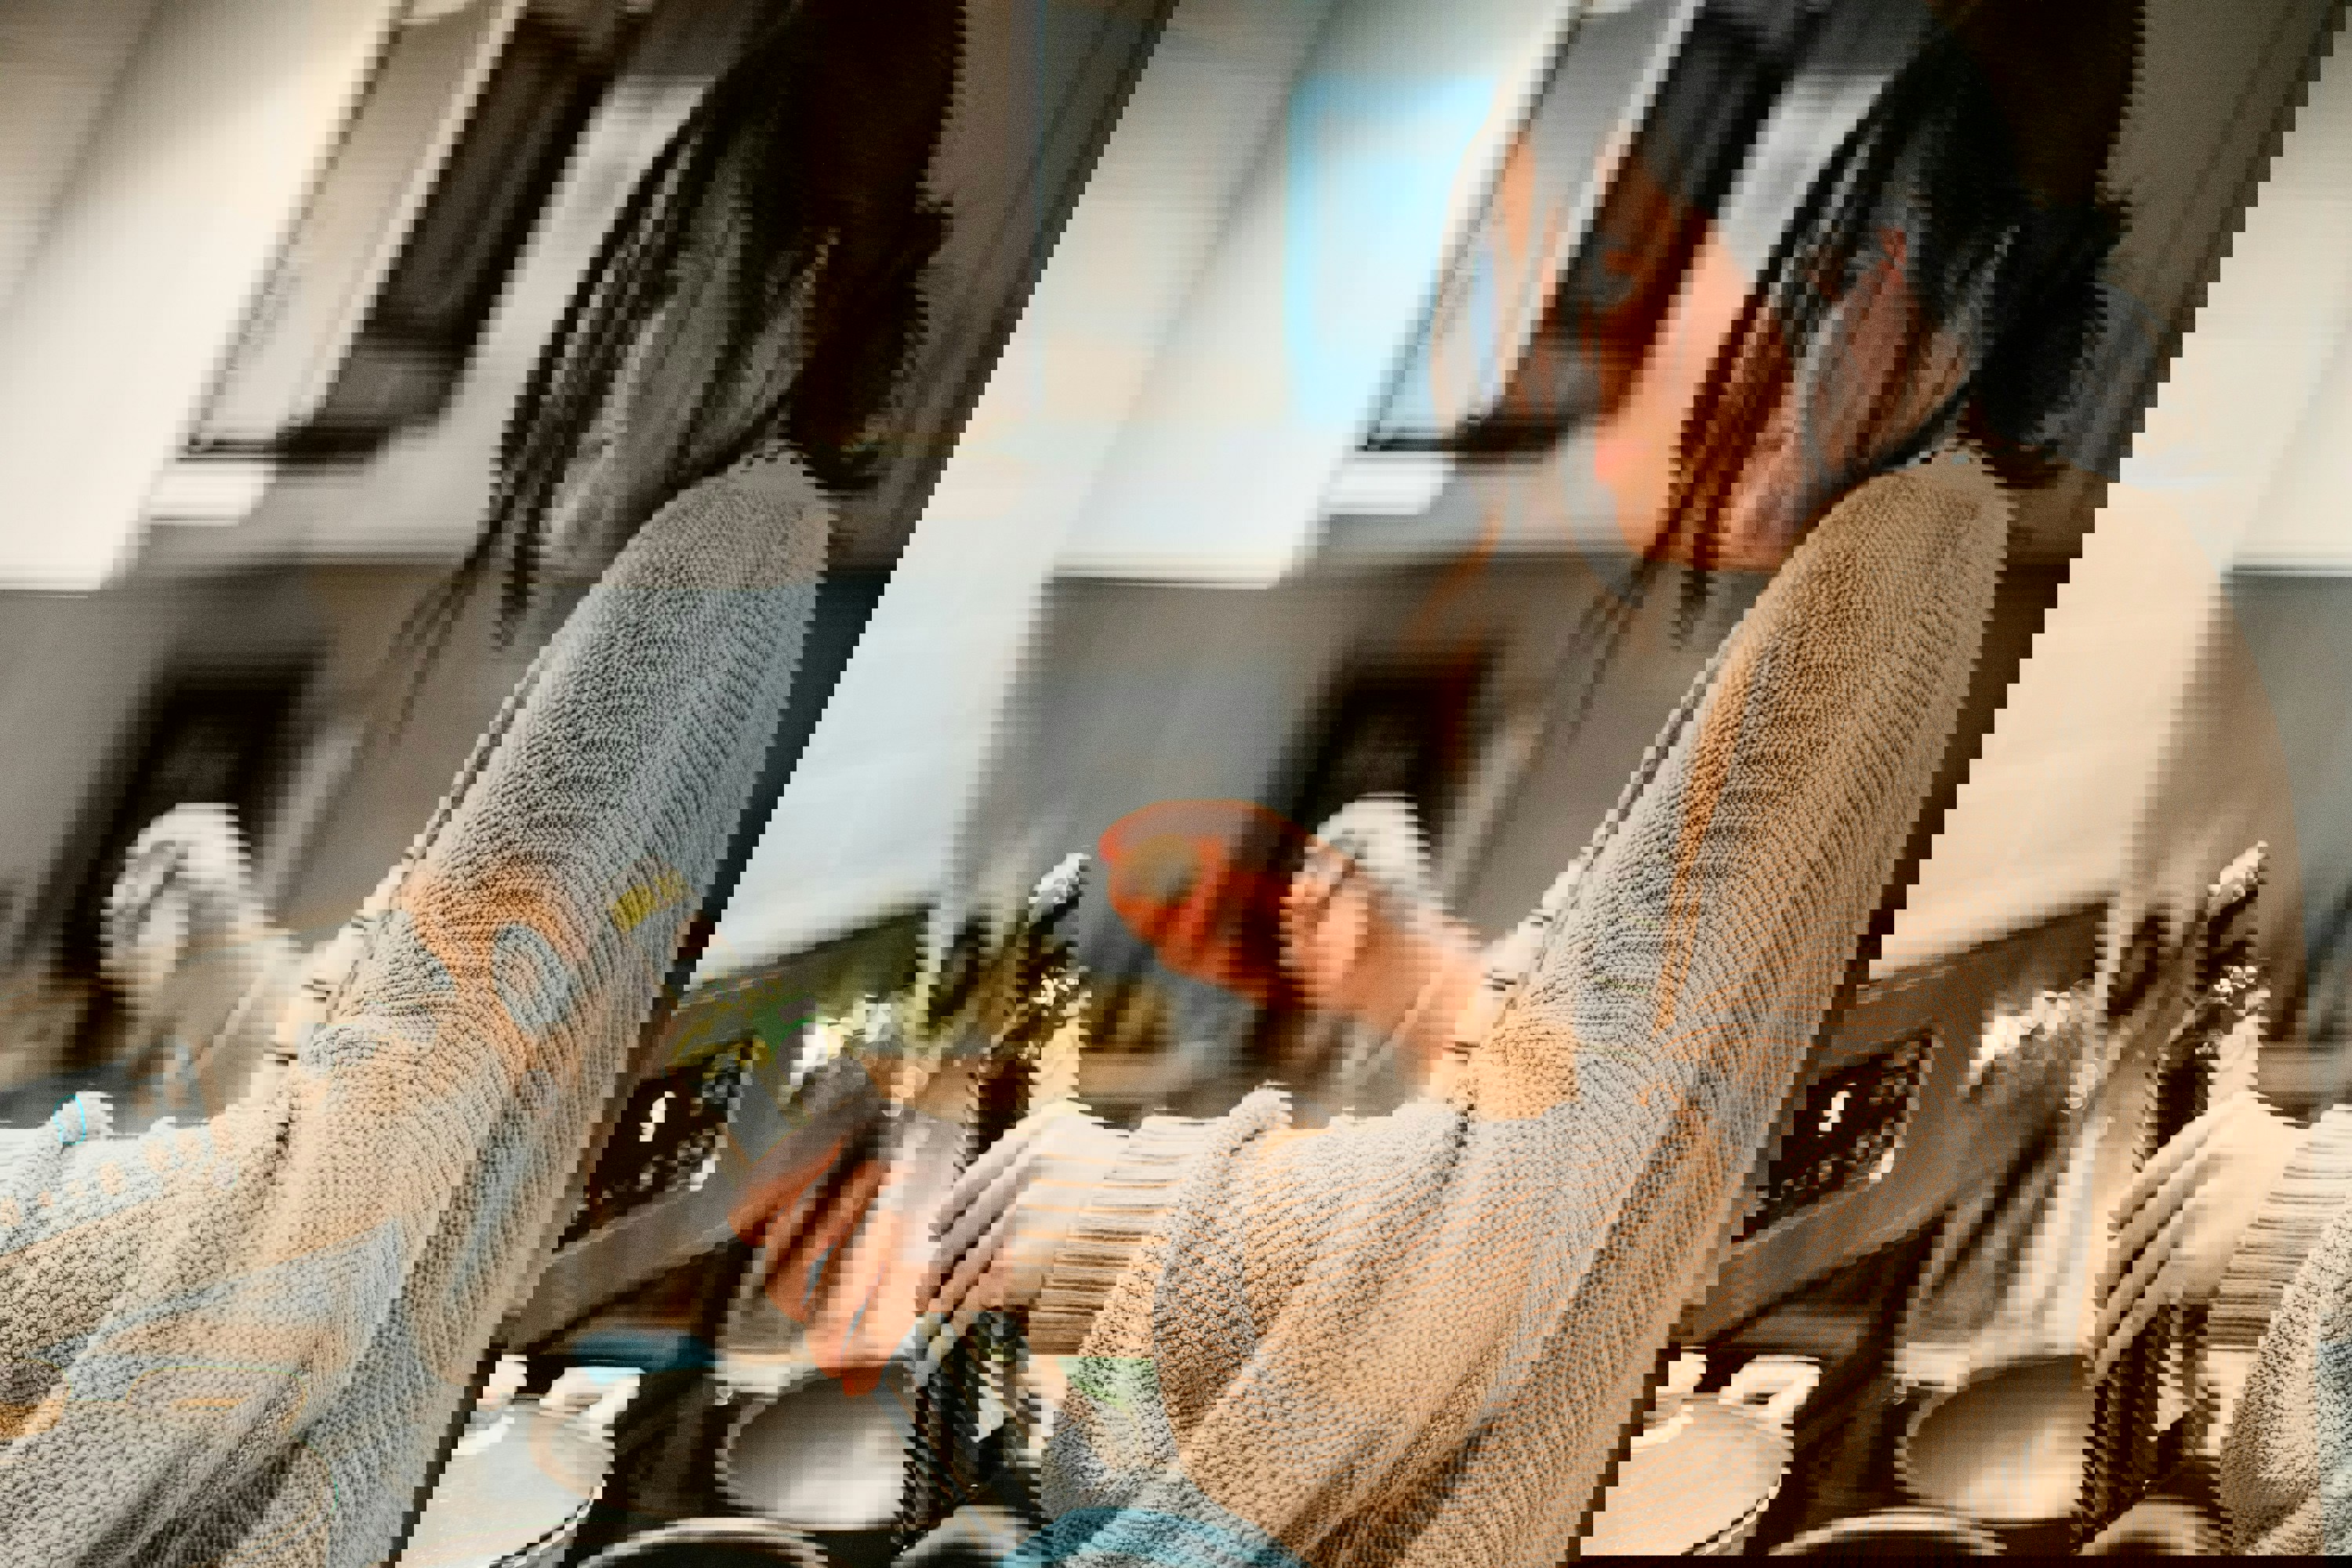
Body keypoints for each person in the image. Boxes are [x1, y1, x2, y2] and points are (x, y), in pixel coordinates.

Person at [909, 2, 2142, 1563]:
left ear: (1952, 301)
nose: (1763, 319)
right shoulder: (1931, 555)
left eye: (1828, 270)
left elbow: (1499, 1255)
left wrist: (1125, 1212)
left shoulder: (1878, 576)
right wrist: (1424, 981)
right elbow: (1605, 1135)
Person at [0, 3, 963, 1563]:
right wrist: (227, 956)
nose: (571, 351)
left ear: (785, 291)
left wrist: (23, 1217)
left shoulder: (693, 577)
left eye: (644, 286)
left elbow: (322, 1230)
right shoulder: (758, 553)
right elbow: (427, 1117)